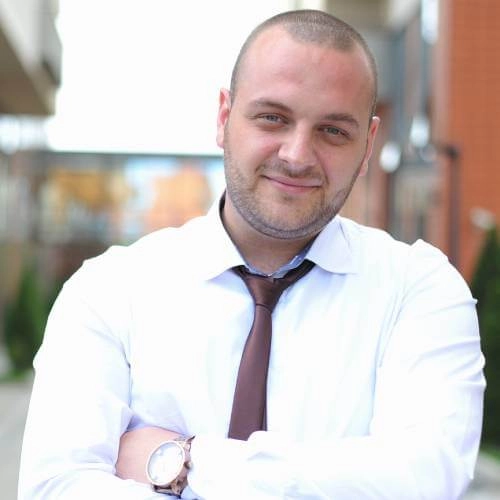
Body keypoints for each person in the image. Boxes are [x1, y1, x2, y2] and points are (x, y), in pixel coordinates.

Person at [18, 9, 485, 500]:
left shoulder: (418, 290)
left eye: (332, 131)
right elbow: (56, 487)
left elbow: (424, 480)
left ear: (368, 146)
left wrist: (186, 462)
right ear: (224, 118)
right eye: (273, 118)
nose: (297, 155)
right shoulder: (109, 290)